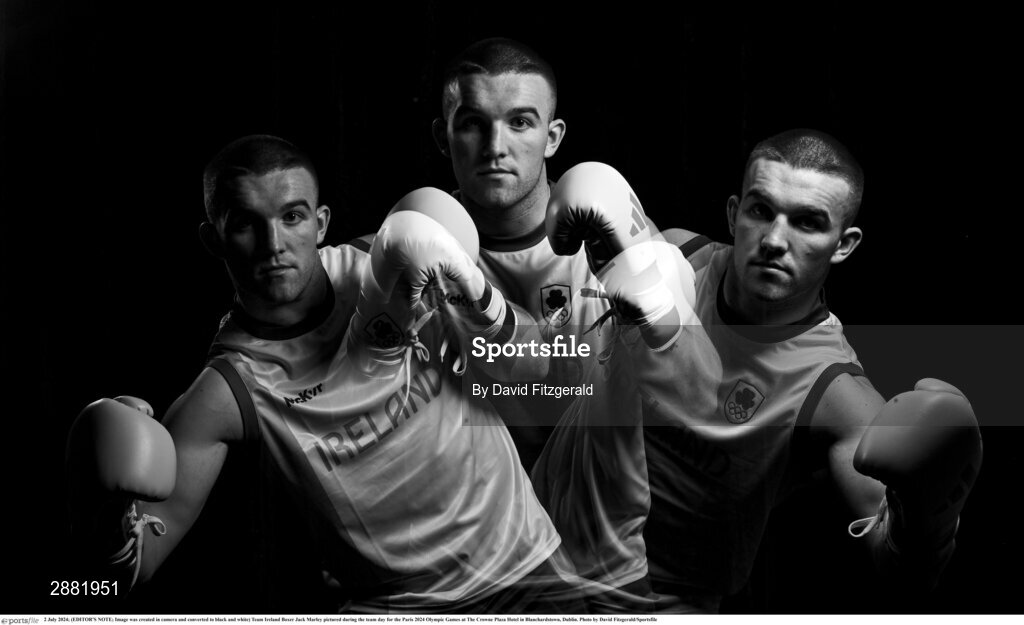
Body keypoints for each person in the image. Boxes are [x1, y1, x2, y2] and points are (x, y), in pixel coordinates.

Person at [65, 134, 586, 613]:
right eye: (246, 223)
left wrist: (484, 300)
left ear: (320, 221)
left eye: (292, 217)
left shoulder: (391, 261)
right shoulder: (229, 389)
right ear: (214, 239)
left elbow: (539, 369)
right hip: (402, 610)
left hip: (532, 568)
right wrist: (104, 511)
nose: (273, 244)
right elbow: (119, 580)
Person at [625, 128, 984, 612]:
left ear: (844, 244)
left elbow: (898, 571)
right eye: (760, 210)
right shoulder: (676, 258)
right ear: (734, 215)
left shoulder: (835, 390)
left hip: (658, 601)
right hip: (541, 545)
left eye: (808, 223)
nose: (774, 239)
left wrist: (927, 519)